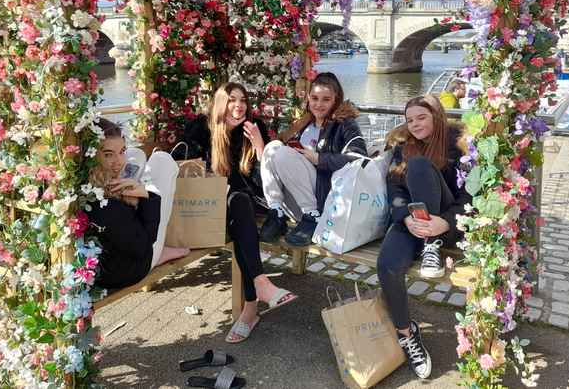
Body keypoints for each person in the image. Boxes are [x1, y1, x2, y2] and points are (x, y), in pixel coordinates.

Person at [180, 82, 298, 343]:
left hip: (248, 200)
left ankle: (252, 306)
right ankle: (259, 289)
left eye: (243, 100)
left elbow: (264, 177)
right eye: (232, 100)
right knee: (238, 212)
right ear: (221, 103)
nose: (239, 105)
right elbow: (188, 169)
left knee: (241, 206)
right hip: (208, 203)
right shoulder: (202, 128)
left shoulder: (253, 128)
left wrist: (258, 144)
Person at [376, 95, 470, 379]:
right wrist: (405, 215)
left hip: (444, 225)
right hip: (412, 220)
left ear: (437, 116)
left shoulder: (460, 145)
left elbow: (469, 198)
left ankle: (432, 245)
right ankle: (407, 333)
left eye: (421, 118)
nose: (414, 125)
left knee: (418, 167)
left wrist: (444, 224)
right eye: (410, 120)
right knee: (387, 265)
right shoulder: (403, 145)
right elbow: (395, 190)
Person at [259, 72, 368, 247]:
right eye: (315, 98)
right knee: (272, 148)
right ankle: (276, 211)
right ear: (308, 98)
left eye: (326, 99)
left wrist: (319, 158)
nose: (318, 104)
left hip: (325, 201)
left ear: (336, 100)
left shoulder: (345, 124)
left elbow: (360, 159)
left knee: (281, 153)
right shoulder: (304, 124)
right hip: (298, 199)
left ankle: (314, 216)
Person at [87, 118, 190, 289]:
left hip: (111, 256)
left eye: (121, 151)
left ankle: (133, 180)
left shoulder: (84, 187)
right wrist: (146, 195)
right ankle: (161, 253)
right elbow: (144, 245)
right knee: (162, 160)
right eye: (108, 154)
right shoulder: (110, 208)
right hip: (130, 269)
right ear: (92, 155)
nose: (118, 161)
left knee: (136, 154)